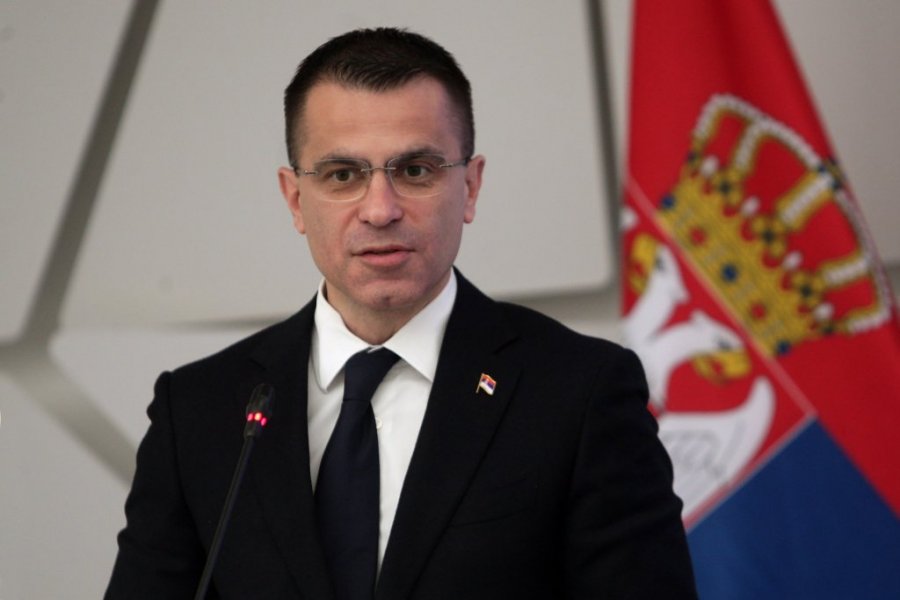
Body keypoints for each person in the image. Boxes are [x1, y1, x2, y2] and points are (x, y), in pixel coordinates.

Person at [105, 27, 697, 599]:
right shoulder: (200, 411)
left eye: (415, 171)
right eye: (343, 175)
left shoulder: (580, 393)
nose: (380, 210)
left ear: (470, 187)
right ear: (295, 199)